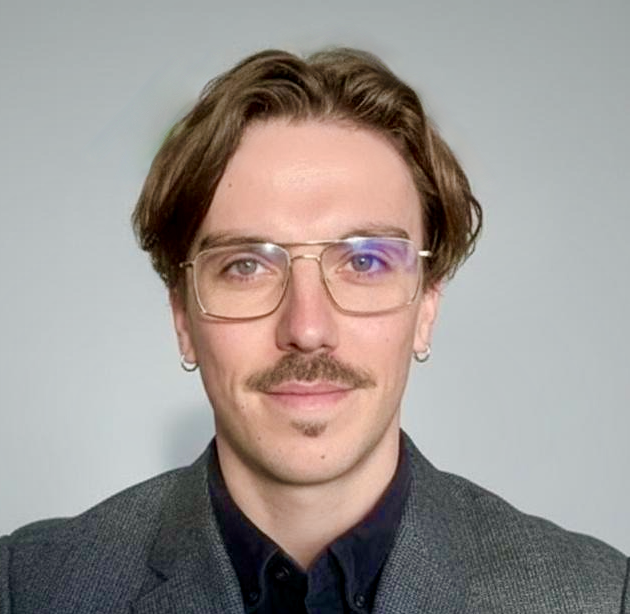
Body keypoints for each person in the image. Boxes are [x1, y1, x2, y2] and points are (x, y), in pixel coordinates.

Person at [1, 47, 627, 614]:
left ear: (427, 307)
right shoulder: (28, 589)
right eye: (246, 266)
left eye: (365, 262)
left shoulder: (597, 597)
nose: (306, 328)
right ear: (182, 318)